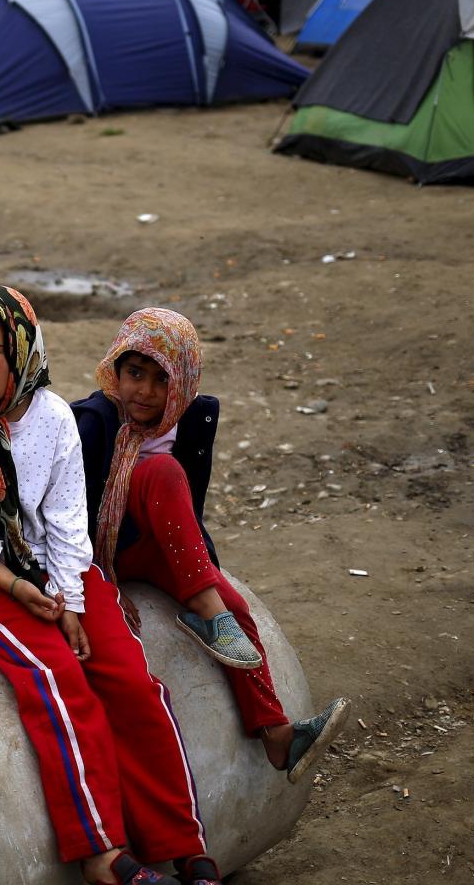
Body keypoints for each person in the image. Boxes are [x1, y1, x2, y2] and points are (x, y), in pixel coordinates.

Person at [0, 285, 232, 885]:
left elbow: (65, 522)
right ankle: (101, 862)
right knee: (57, 679)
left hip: (63, 570)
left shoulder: (54, 419)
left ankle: (185, 848)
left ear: (21, 351)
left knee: (133, 682)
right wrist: (15, 585)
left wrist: (73, 602)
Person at [72, 308, 347, 784]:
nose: (145, 391)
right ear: (116, 368)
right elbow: (66, 513)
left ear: (182, 383)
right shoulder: (91, 421)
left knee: (235, 606)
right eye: (135, 373)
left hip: (159, 547)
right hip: (106, 551)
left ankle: (277, 734)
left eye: (162, 379)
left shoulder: (192, 420)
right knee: (162, 471)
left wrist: (207, 574)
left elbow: (188, 512)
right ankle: (209, 612)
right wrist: (97, 583)